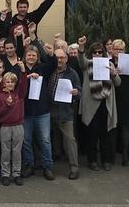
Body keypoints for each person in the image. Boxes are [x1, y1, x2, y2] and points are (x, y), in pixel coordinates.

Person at [77, 37, 121, 171]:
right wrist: (81, 47)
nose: (97, 54)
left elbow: (118, 83)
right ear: (91, 53)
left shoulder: (109, 64)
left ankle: (106, 160)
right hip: (91, 104)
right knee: (92, 134)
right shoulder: (88, 64)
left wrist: (114, 74)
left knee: (106, 134)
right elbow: (80, 60)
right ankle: (92, 160)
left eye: (100, 52)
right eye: (95, 52)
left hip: (105, 103)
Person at [21, 43, 57, 180]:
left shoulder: (42, 68)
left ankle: (47, 166)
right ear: (25, 56)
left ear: (37, 57)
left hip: (42, 111)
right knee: (26, 141)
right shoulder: (21, 69)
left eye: (33, 55)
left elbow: (53, 64)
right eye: (29, 55)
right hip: (25, 111)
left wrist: (51, 53)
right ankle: (29, 165)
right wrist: (26, 77)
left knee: (45, 140)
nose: (31, 57)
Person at [48, 48, 81, 179]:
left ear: (67, 59)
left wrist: (76, 93)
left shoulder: (72, 74)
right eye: (57, 57)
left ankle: (74, 167)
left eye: (62, 58)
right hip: (48, 109)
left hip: (65, 111)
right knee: (48, 138)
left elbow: (79, 92)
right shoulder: (50, 70)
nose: (59, 60)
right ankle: (48, 162)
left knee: (70, 140)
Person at [0, 65, 28, 186]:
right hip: (5, 127)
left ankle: (16, 173)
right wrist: (7, 105)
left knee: (17, 151)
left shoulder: (19, 94)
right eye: (7, 82)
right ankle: (5, 174)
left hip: (18, 126)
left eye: (12, 82)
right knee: (5, 151)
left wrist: (23, 71)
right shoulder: (0, 96)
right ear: (4, 83)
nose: (10, 84)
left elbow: (24, 84)